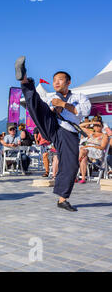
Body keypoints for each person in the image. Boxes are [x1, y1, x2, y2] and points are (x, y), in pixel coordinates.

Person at [16, 56, 91, 212]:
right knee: (36, 106)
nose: (56, 82)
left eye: (60, 80)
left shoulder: (80, 97)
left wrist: (63, 104)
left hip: (68, 132)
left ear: (68, 82)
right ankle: (24, 80)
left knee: (70, 164)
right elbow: (50, 109)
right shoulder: (52, 96)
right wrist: (55, 107)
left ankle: (62, 199)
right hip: (52, 125)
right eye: (54, 80)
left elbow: (83, 112)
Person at [78, 119, 108, 183]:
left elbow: (102, 147)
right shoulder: (91, 133)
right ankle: (83, 178)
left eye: (98, 125)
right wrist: (92, 122)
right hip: (86, 151)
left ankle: (74, 168)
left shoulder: (104, 135)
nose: (96, 127)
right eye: (95, 125)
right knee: (84, 157)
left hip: (97, 152)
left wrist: (90, 146)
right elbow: (80, 126)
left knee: (82, 150)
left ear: (102, 127)